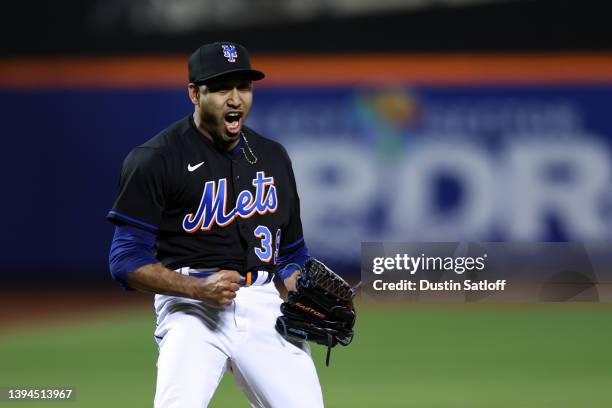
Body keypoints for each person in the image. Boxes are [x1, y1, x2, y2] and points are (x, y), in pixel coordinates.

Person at [106, 41, 324, 408]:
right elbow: (125, 261)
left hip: (263, 305)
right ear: (194, 93)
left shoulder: (273, 157)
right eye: (222, 87)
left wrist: (297, 282)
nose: (235, 98)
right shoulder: (155, 159)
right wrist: (196, 288)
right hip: (191, 310)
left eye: (244, 86)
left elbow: (289, 251)